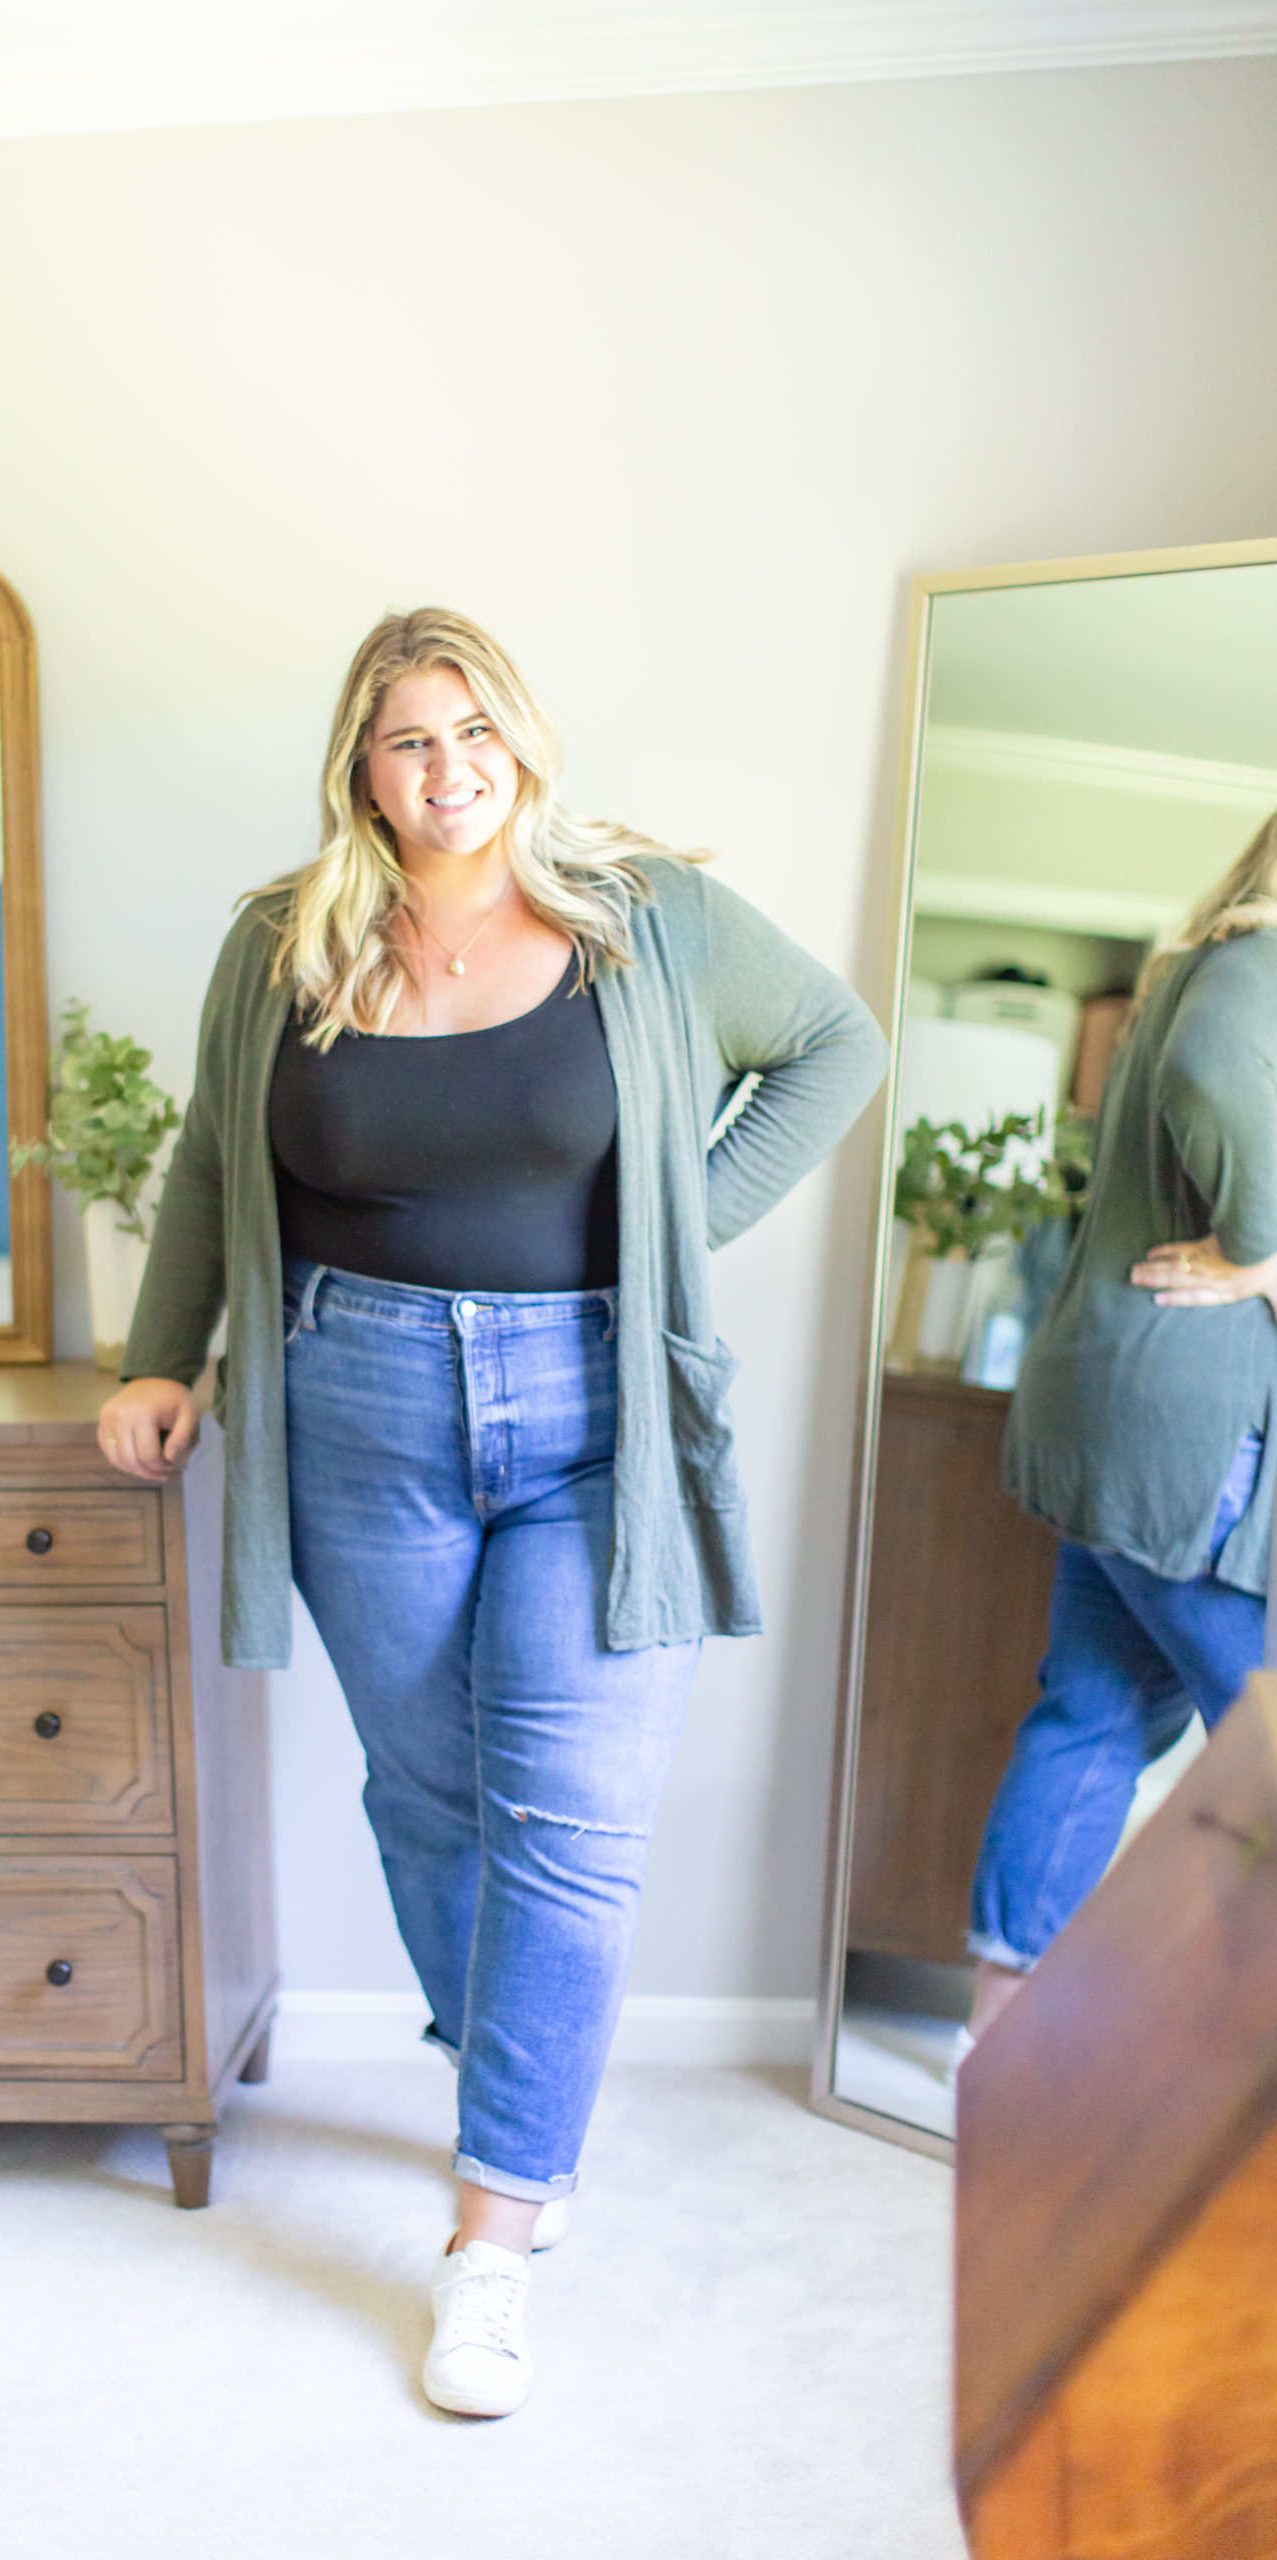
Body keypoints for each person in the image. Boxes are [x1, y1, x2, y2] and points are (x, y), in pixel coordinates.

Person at [97, 608, 885, 2415]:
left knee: (572, 1818)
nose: (445, 770)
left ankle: (491, 2238)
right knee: (427, 1791)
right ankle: (510, 2079)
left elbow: (831, 1045)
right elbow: (218, 1159)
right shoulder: (278, 945)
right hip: (352, 1402)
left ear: (520, 743)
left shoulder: (645, 922)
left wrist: (682, 1212)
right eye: (404, 741)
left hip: (598, 1412)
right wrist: (163, 1356)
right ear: (354, 768)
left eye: (472, 732)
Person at [967, 812, 1277, 2048]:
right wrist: (1260, 1253)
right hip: (1178, 1429)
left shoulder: (1194, 964)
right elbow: (1217, 1086)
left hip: (1114, 1415)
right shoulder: (1255, 967)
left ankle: (997, 2041)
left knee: (1092, 1712)